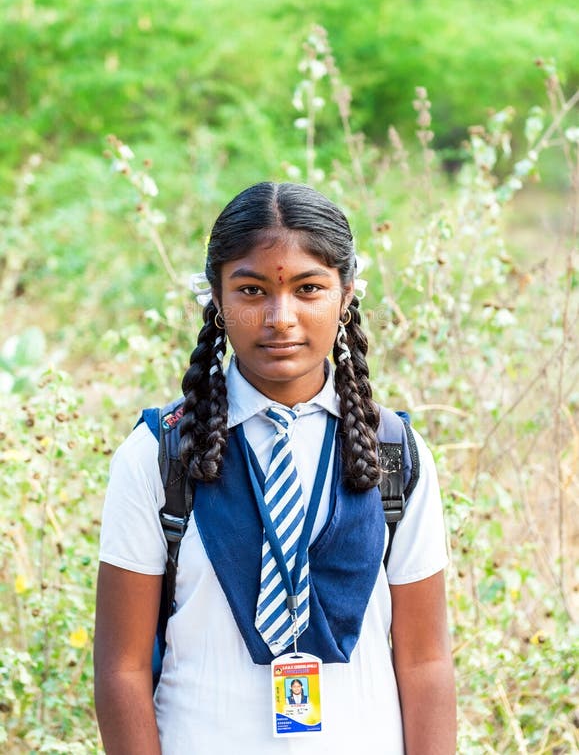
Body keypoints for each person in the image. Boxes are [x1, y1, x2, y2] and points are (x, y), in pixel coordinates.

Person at [94, 181, 456, 754]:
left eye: (308, 288)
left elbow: (426, 661)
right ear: (215, 296)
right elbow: (122, 669)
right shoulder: (160, 453)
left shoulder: (392, 451)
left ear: (346, 295)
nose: (279, 317)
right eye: (252, 289)